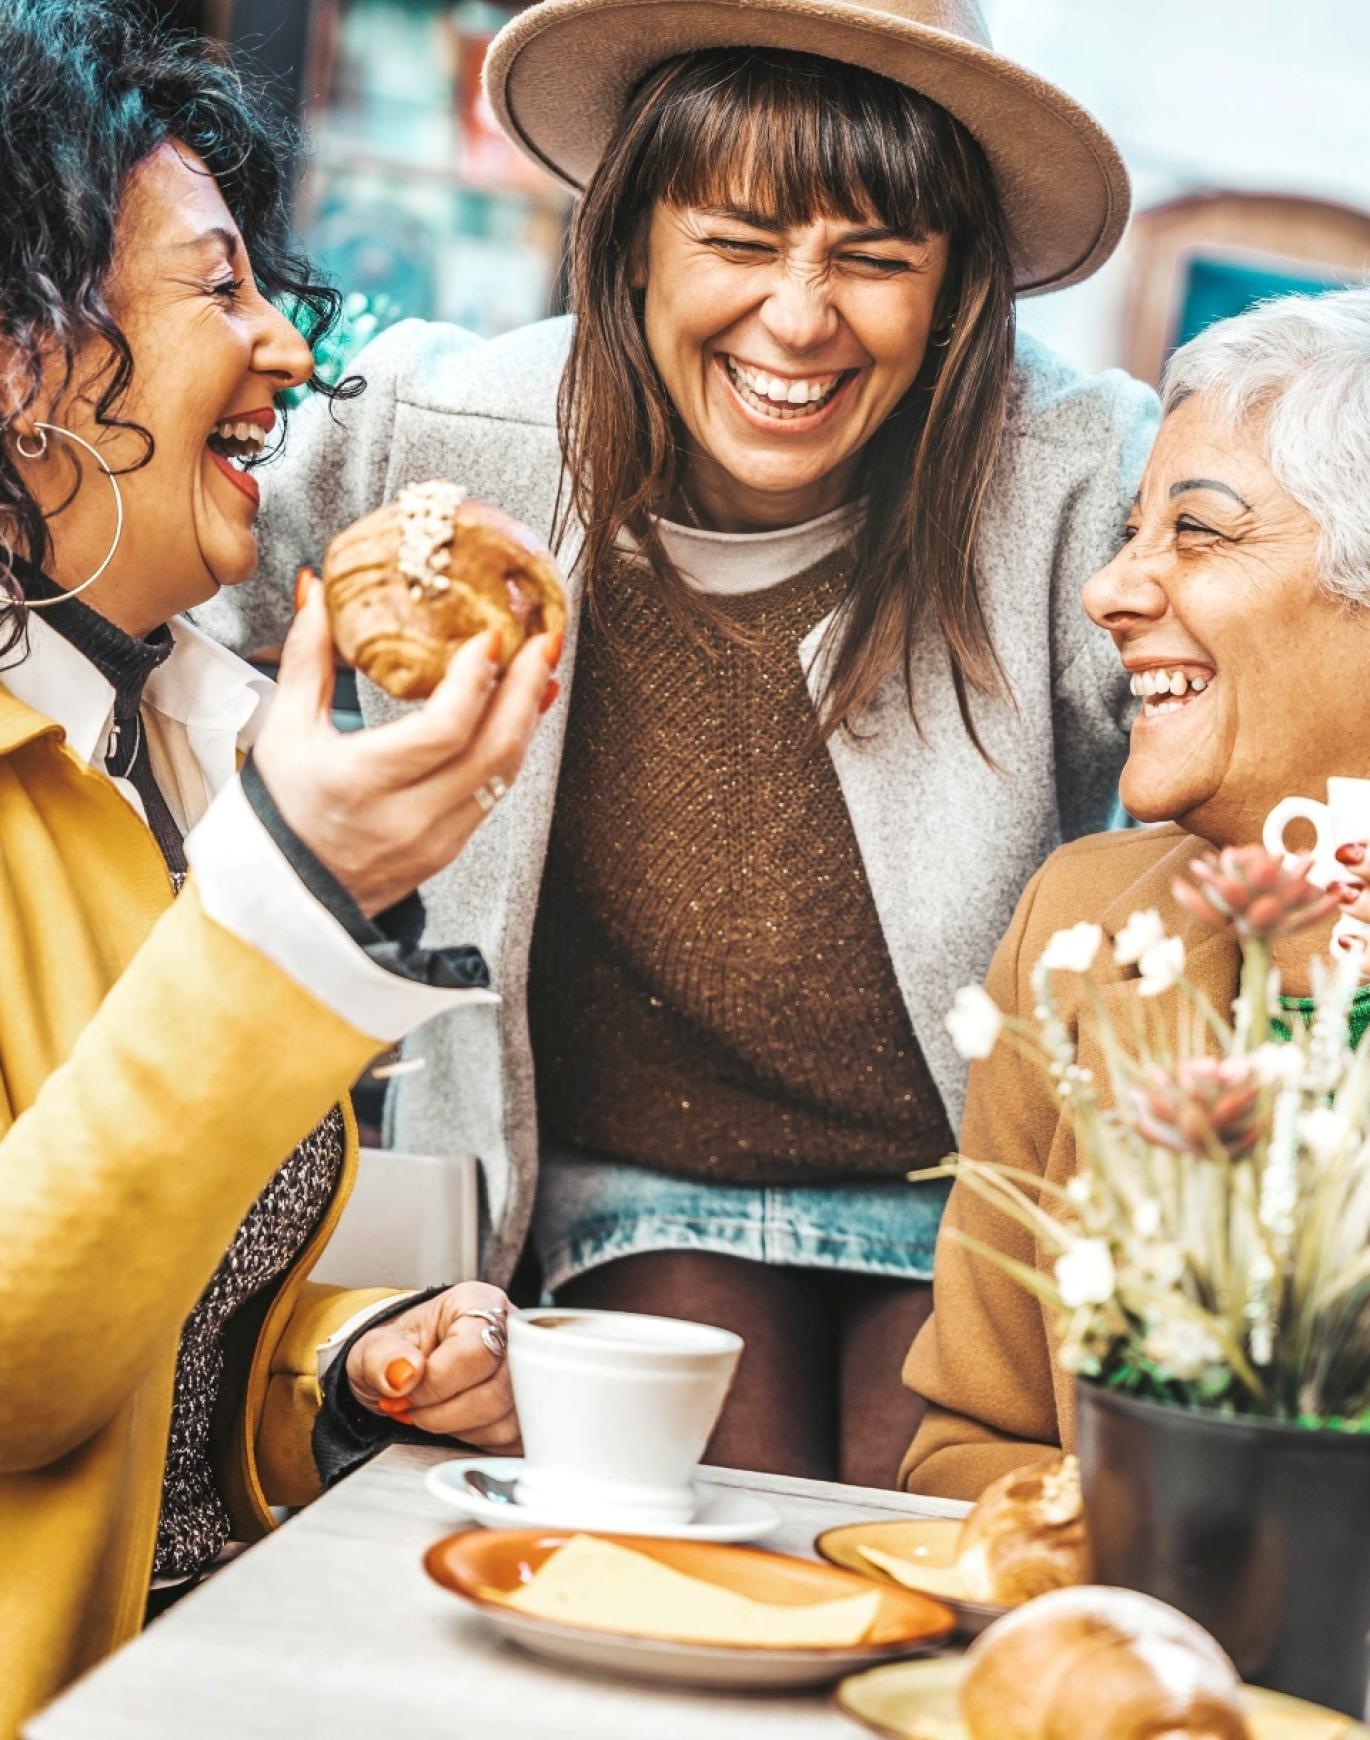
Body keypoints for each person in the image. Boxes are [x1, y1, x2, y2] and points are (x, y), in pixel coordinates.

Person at [213, 0, 1157, 1485]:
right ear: (631, 235)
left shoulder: (1083, 469)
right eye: (735, 240)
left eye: (874, 257)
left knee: (927, 1536)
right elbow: (152, 555)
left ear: (960, 284)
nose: (797, 318)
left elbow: (1263, 671)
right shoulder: (441, 423)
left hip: (977, 1183)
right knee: (710, 1514)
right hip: (622, 1181)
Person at [0, 6, 558, 1729]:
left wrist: (350, 1366)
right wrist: (285, 915)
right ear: (21, 358)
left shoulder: (166, 734)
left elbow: (157, 1296)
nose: (294, 360)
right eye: (215, 290)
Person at [900, 286, 1370, 1499]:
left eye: (1197, 535)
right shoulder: (1082, 926)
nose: (1109, 589)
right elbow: (968, 1445)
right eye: (1129, 532)